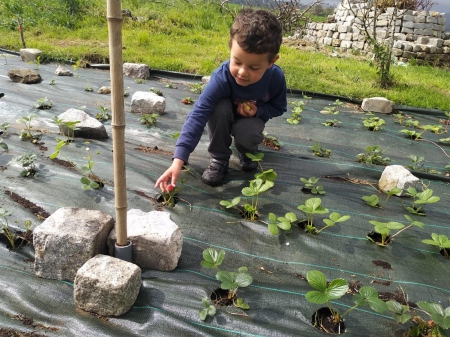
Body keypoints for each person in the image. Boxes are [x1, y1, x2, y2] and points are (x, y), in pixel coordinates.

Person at [155, 8, 287, 192]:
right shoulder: (221, 78)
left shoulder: (275, 78)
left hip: (251, 120)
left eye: (254, 67)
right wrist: (179, 160)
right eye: (237, 62)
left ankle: (247, 153)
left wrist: (258, 111)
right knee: (218, 106)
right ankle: (219, 158)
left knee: (246, 131)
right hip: (222, 116)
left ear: (272, 61)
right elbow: (198, 115)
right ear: (230, 48)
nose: (242, 72)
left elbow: (279, 107)